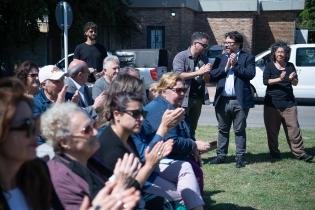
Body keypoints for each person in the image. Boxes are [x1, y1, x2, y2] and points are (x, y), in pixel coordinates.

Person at [41, 102, 141, 210]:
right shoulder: (61, 178)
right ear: (65, 142)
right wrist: (121, 185)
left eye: (94, 125)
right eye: (87, 130)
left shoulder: (90, 158)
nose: (95, 132)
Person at [141, 73, 211, 191]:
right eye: (178, 90)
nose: (183, 94)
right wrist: (193, 145)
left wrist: (193, 148)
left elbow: (183, 134)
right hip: (161, 162)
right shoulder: (160, 110)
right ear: (164, 91)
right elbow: (171, 142)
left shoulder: (170, 106)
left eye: (184, 90)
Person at [209, 31, 255, 168]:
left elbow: (250, 74)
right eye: (226, 42)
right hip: (222, 100)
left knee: (239, 130)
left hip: (239, 100)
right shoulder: (221, 58)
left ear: (238, 44)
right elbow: (213, 76)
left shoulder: (248, 58)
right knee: (222, 129)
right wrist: (226, 67)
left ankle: (240, 157)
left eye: (230, 43)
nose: (227, 45)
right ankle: (221, 156)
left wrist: (235, 65)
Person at [263, 41, 313, 162]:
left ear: (286, 54)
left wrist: (292, 79)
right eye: (278, 51)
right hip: (272, 104)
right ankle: (274, 153)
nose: (281, 54)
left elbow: (296, 83)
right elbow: (266, 81)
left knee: (294, 129)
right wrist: (279, 79)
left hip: (289, 103)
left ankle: (300, 153)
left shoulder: (290, 65)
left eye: (283, 52)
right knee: (272, 131)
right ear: (274, 53)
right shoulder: (269, 65)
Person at [173, 32, 212, 137]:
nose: (205, 48)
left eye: (207, 45)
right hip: (183, 98)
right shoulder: (181, 57)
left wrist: (207, 73)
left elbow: (206, 79)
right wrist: (199, 72)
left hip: (198, 98)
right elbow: (178, 75)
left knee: (192, 128)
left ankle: (191, 151)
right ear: (195, 44)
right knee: (181, 128)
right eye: (204, 45)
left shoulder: (203, 58)